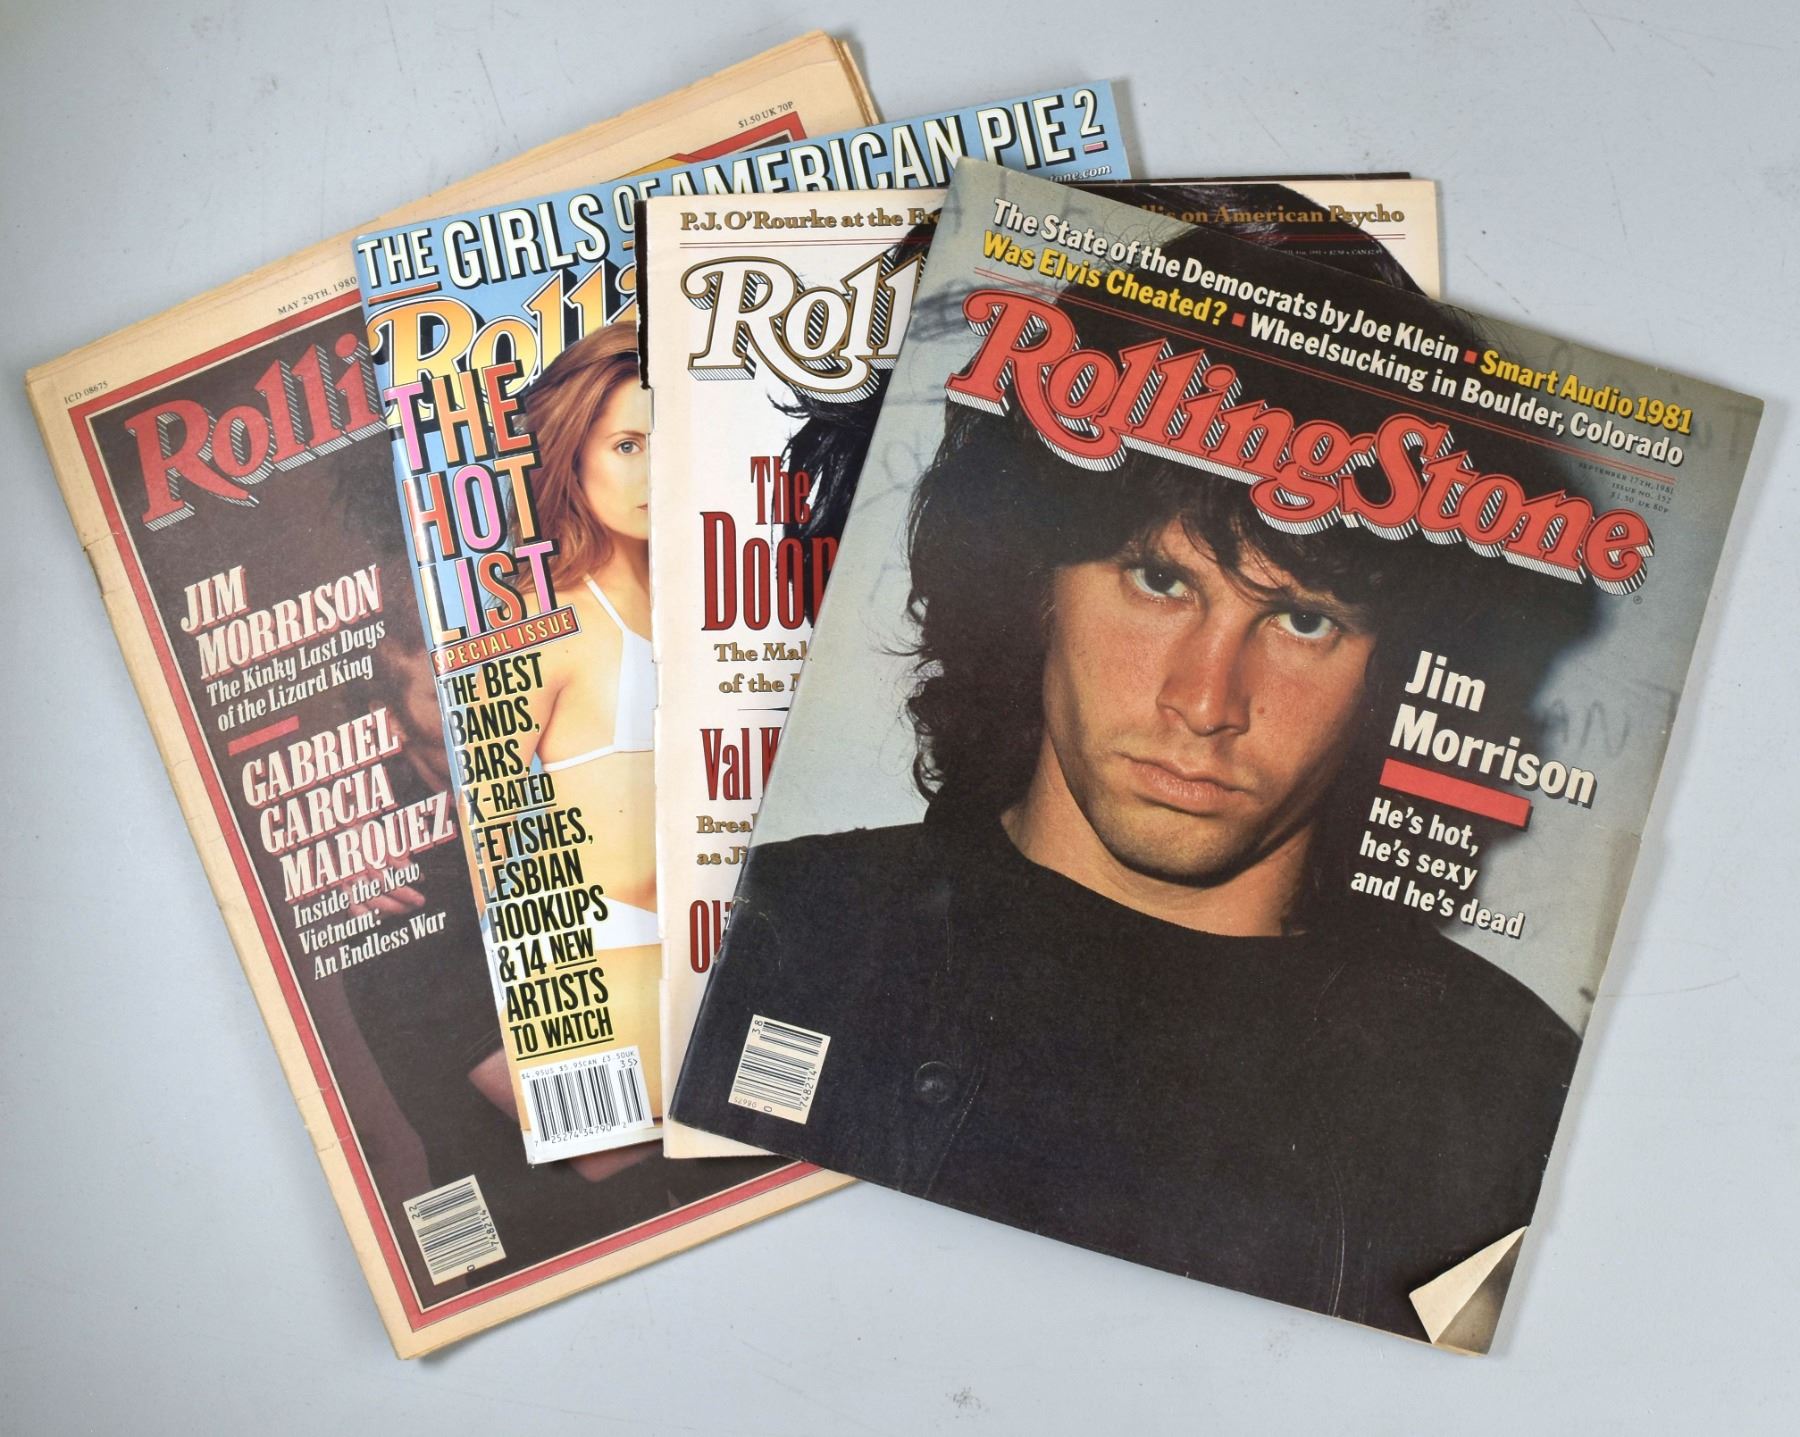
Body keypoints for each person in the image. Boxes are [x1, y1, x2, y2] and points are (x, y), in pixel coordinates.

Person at [673, 225, 1597, 1340]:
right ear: (1030, 585)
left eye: (1305, 620)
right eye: (1159, 579)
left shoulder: (1508, 1088)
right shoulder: (774, 938)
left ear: (1402, 672)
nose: (1206, 701)